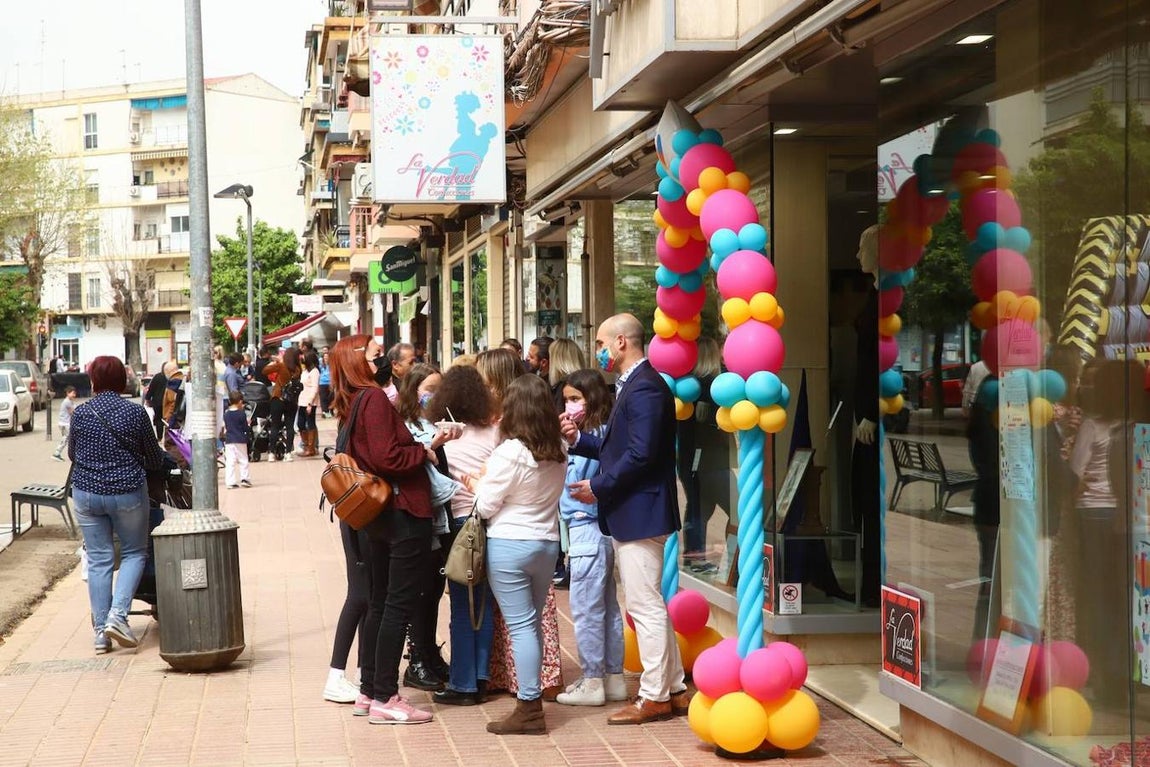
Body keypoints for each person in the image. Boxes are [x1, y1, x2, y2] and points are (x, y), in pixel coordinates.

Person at [561, 313, 691, 724]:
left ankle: (654, 695)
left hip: (642, 512)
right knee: (649, 604)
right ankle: (672, 686)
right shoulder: (633, 385)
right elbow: (621, 448)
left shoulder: (645, 387)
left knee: (644, 604)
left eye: (601, 341)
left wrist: (598, 487)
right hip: (635, 510)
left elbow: (641, 455)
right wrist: (580, 441)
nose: (597, 349)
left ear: (621, 342)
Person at [328, 334, 443, 725]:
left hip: (380, 517)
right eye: (377, 356)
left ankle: (368, 692)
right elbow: (387, 456)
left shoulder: (355, 401)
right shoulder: (374, 400)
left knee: (379, 603)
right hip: (402, 513)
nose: (385, 361)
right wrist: (423, 451)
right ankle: (386, 697)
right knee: (397, 604)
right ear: (361, 363)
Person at [466, 374, 567, 735]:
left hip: (510, 544)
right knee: (531, 624)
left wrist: (474, 483)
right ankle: (530, 700)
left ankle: (529, 707)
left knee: (521, 626)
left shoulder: (509, 452)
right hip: (546, 543)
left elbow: (487, 504)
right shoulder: (559, 449)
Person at [69, 356, 168, 653]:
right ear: (122, 381)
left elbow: (73, 453)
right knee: (135, 553)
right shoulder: (135, 413)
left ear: (93, 380)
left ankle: (101, 634)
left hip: (86, 494)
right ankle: (117, 616)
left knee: (99, 559)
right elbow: (153, 457)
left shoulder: (81, 413)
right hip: (127, 492)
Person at [427, 364, 501, 705]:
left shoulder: (441, 433)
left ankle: (462, 684)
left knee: (460, 604)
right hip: (489, 522)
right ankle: (482, 677)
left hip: (458, 524)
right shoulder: (493, 432)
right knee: (483, 604)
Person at [555, 369, 627, 707]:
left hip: (586, 527)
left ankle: (593, 678)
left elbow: (572, 484)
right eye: (567, 399)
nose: (569, 406)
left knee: (585, 609)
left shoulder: (589, 438)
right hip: (599, 531)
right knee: (607, 606)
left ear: (592, 399)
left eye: (576, 399)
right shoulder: (604, 433)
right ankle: (613, 677)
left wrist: (566, 443)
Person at [395, 363, 460, 692]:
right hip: (420, 520)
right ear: (413, 391)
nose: (434, 397)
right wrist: (433, 445)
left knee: (434, 590)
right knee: (420, 592)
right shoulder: (405, 425)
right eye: (428, 391)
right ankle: (417, 660)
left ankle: (429, 656)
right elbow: (411, 461)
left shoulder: (435, 421)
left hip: (440, 519)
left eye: (439, 391)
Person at [851, 224, 882, 607]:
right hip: (865, 419)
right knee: (862, 502)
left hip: (872, 421)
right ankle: (872, 583)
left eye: (863, 247)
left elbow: (878, 361)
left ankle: (877, 586)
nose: (857, 255)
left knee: (871, 504)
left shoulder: (887, 299)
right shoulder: (874, 294)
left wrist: (870, 413)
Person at [263, 347, 301, 461]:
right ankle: (288, 452)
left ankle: (272, 453)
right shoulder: (298, 369)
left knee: (275, 426)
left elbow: (264, 370)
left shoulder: (281, 366)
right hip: (291, 400)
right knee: (290, 427)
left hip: (278, 398)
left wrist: (276, 362)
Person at [222, 391, 252, 489]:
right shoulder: (241, 414)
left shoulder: (226, 414)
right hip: (240, 439)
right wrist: (248, 428)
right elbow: (245, 428)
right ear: (240, 402)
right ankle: (245, 479)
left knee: (230, 461)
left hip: (229, 440)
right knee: (243, 459)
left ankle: (230, 481)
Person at [295, 350, 321, 458]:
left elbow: (315, 387)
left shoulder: (315, 372)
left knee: (310, 423)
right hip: (301, 400)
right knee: (300, 423)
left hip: (310, 401)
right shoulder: (304, 372)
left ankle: (311, 448)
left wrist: (310, 402)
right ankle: (305, 444)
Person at [144, 363, 169, 440]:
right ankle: (168, 438)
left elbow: (151, 389)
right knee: (168, 420)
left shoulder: (157, 377)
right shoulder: (171, 378)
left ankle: (159, 437)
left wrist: (147, 399)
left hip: (157, 402)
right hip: (168, 402)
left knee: (158, 419)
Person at [52, 386, 78, 461]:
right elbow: (72, 412)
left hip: (65, 423)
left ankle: (59, 452)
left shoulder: (70, 401)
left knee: (67, 438)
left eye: (74, 393)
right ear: (67, 393)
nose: (74, 395)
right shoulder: (67, 402)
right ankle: (57, 453)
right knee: (66, 438)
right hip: (65, 423)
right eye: (72, 393)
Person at [318, 350, 333, 418]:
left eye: (327, 357)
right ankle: (325, 411)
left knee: (331, 397)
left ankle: (330, 410)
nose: (326, 358)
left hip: (330, 383)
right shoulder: (321, 365)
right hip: (322, 383)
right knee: (323, 398)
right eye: (325, 357)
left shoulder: (332, 365)